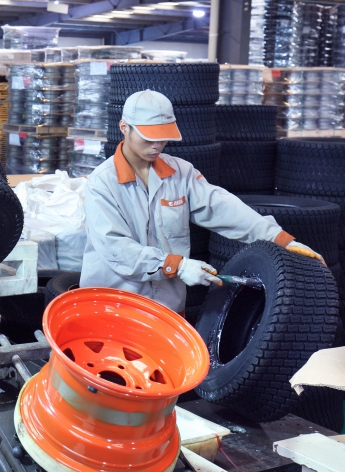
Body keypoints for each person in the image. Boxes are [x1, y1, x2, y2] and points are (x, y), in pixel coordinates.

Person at [80, 90, 324, 314]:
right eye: (148, 137)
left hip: (167, 310)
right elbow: (116, 248)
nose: (157, 145)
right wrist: (177, 266)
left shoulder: (181, 174)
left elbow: (223, 208)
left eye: (163, 138)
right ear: (124, 127)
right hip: (113, 309)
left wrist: (280, 239)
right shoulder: (102, 183)